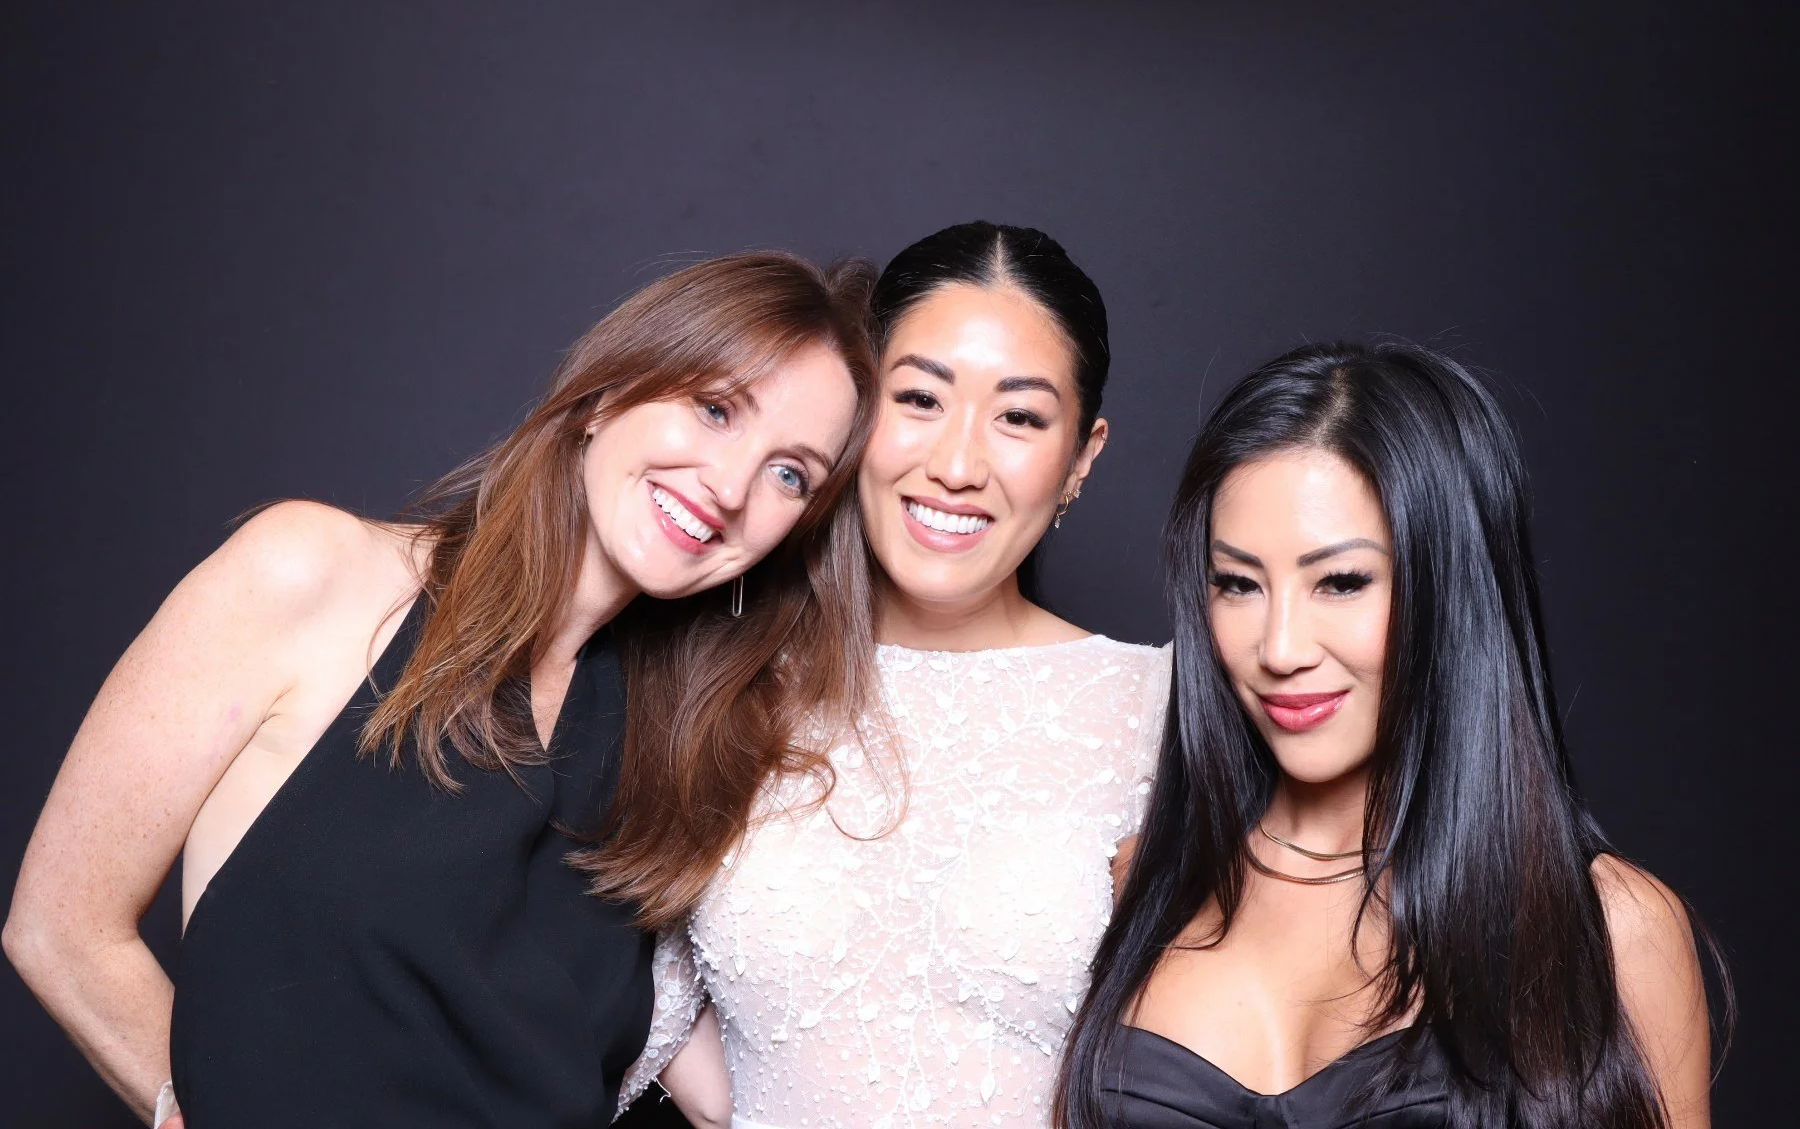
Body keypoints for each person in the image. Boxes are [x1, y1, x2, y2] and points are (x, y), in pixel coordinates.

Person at [4, 252, 881, 1129]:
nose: (730, 488)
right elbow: (61, 927)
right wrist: (185, 1106)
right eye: (716, 408)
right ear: (611, 393)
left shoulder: (675, 747)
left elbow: (743, 1086)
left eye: (789, 474)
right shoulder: (316, 577)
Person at [1056, 342, 1727, 1129]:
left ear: (1451, 587)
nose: (1279, 648)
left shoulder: (1608, 930)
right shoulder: (1144, 884)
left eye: (1340, 582)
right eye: (1238, 584)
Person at [626, 222, 1172, 1129]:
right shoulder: (724, 677)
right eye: (919, 399)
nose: (956, 465)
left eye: (1021, 417)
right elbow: (619, 1007)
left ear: (1082, 457)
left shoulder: (1158, 709)